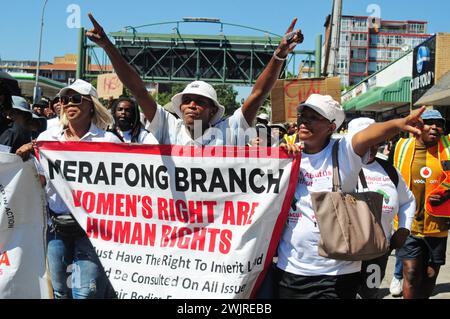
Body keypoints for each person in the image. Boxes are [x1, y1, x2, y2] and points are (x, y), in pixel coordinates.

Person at [274, 94, 425, 299]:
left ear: (331, 127)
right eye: (303, 115)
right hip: (289, 270)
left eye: (314, 117)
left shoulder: (344, 152)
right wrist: (280, 156)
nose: (305, 121)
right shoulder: (286, 155)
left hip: (337, 274)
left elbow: (367, 135)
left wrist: (399, 123)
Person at [86, 13, 303, 146]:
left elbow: (257, 94)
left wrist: (279, 54)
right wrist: (108, 46)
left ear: (212, 110)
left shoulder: (230, 131)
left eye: (200, 101)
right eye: (187, 100)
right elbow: (138, 89)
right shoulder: (168, 128)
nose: (191, 105)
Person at [17, 79, 122, 299]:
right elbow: (41, 181)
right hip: (56, 227)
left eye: (76, 99)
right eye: (64, 100)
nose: (68, 104)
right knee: (60, 290)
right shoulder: (47, 139)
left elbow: (120, 185)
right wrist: (24, 159)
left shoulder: (108, 140)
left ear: (91, 105)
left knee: (85, 293)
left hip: (92, 230)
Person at [347, 117, 416, 299]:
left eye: (374, 142)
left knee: (370, 294)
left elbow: (408, 200)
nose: (371, 147)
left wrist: (404, 228)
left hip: (378, 253)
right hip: (344, 254)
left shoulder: (388, 169)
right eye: (365, 142)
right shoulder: (337, 166)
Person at [392, 108, 450, 299]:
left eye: (439, 124)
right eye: (430, 123)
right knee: (410, 272)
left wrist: (446, 193)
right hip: (408, 224)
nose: (435, 127)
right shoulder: (401, 147)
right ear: (417, 126)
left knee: (430, 274)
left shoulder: (448, 148)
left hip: (438, 225)